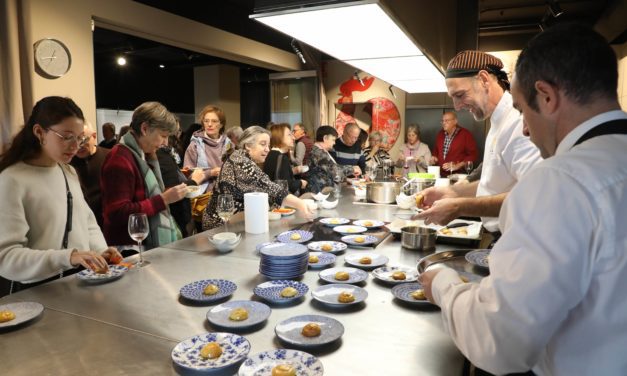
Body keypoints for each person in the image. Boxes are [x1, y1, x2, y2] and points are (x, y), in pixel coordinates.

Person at [420, 23, 627, 376]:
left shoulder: (560, 181)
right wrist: (454, 192)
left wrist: (441, 282)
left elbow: (498, 340)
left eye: (524, 108)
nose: (526, 129)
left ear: (546, 96)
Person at [0, 96, 120, 295]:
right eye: (66, 136)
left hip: (76, 287)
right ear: (40, 132)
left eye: (80, 137)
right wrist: (68, 257)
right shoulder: (11, 180)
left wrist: (99, 251)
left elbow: (86, 222)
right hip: (36, 293)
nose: (76, 145)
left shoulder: (67, 172)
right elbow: (6, 257)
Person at [415, 50, 541, 233]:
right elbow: (493, 185)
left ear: (483, 79)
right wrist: (453, 192)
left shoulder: (516, 121)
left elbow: (532, 195)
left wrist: (460, 206)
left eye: (460, 95)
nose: (457, 106)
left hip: (519, 237)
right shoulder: (497, 121)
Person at [101, 102, 186, 248]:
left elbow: (142, 197)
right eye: (163, 136)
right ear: (145, 129)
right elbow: (116, 213)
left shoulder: (141, 155)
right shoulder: (119, 158)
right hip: (128, 249)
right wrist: (164, 199)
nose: (165, 143)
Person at [202, 126, 314, 230]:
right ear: (248, 146)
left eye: (268, 145)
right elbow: (269, 187)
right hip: (219, 225)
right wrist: (301, 204)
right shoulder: (240, 161)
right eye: (262, 144)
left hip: (233, 222)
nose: (267, 149)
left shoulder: (241, 157)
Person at [157, 133, 205, 238]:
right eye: (164, 135)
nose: (165, 141)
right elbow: (171, 189)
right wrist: (194, 181)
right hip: (173, 216)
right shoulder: (160, 153)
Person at [70, 121, 110, 228]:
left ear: (94, 136)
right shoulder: (68, 162)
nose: (79, 146)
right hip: (80, 223)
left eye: (84, 140)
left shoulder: (110, 156)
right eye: (75, 141)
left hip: (106, 221)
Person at [183, 106, 231, 193]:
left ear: (221, 124)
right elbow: (188, 174)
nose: (209, 124)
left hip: (225, 192)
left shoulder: (228, 144)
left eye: (214, 121)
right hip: (203, 196)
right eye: (206, 121)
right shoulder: (195, 145)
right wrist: (210, 173)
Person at [306, 126, 358, 194]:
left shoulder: (322, 151)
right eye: (333, 140)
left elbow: (327, 172)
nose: (334, 143)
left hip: (323, 191)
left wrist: (347, 179)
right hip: (318, 193)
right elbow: (334, 170)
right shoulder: (317, 153)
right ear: (325, 138)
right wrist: (352, 169)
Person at [263, 123, 307, 194]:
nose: (293, 138)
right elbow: (289, 186)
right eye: (289, 135)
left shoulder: (270, 154)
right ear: (279, 137)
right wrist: (301, 182)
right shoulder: (282, 158)